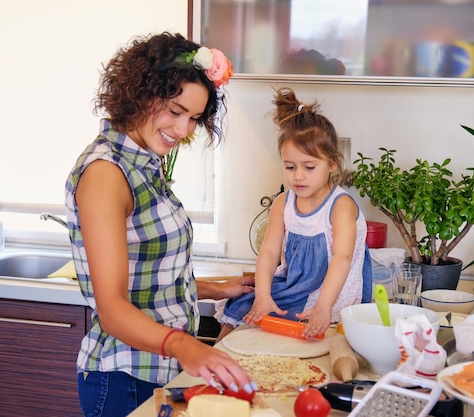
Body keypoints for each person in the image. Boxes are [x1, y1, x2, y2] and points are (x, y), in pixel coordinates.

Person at [65, 32, 256, 416]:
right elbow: (113, 307)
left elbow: (147, 280)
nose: (184, 130)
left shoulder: (145, 163)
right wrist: (187, 347)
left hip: (155, 374)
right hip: (122, 380)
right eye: (175, 110)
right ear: (140, 92)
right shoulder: (106, 173)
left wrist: (214, 289)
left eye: (194, 118)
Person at [216, 87, 372, 340]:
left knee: (315, 336)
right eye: (290, 166)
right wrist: (263, 296)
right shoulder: (283, 203)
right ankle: (215, 362)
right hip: (295, 285)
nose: (298, 176)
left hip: (333, 290)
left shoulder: (340, 206)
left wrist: (323, 306)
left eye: (309, 167)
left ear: (332, 164)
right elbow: (268, 251)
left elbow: (342, 259)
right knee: (241, 305)